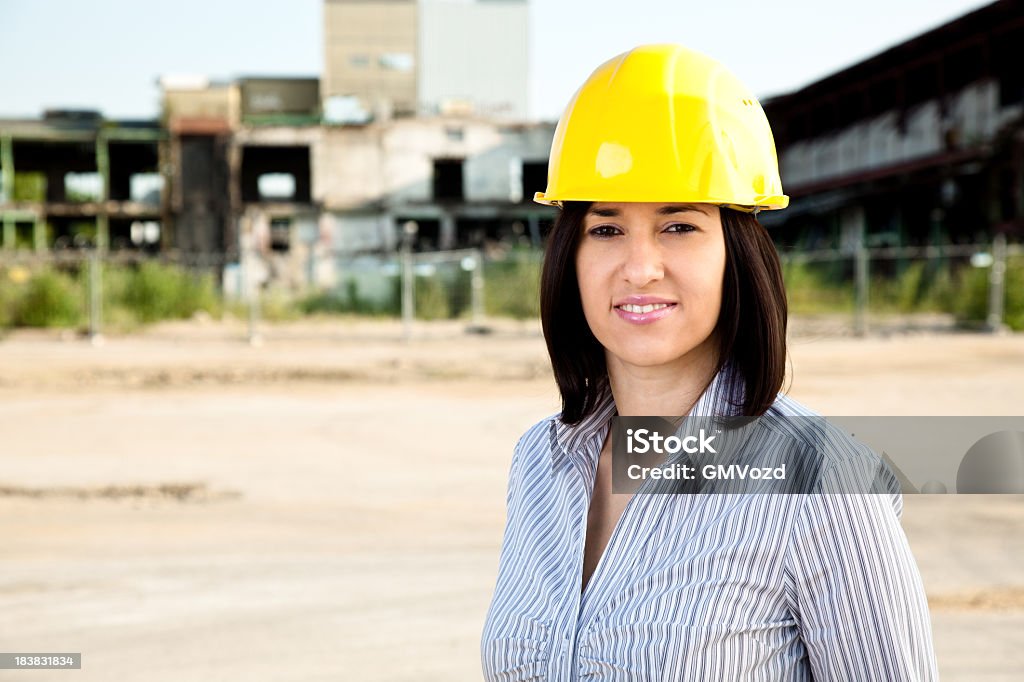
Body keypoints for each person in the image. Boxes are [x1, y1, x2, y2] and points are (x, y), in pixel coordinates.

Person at [480, 44, 937, 680]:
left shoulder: (821, 479)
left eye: (679, 227)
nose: (639, 269)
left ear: (736, 253)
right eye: (606, 229)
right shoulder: (539, 463)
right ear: (570, 257)